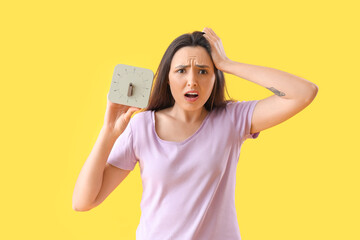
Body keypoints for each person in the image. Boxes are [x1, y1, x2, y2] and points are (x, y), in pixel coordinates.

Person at [72, 27, 318, 239]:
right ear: (167, 78)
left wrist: (228, 64)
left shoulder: (232, 119)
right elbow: (83, 201)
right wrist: (109, 132)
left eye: (203, 71)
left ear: (215, 78)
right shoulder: (142, 127)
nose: (192, 81)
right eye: (181, 71)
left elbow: (303, 93)